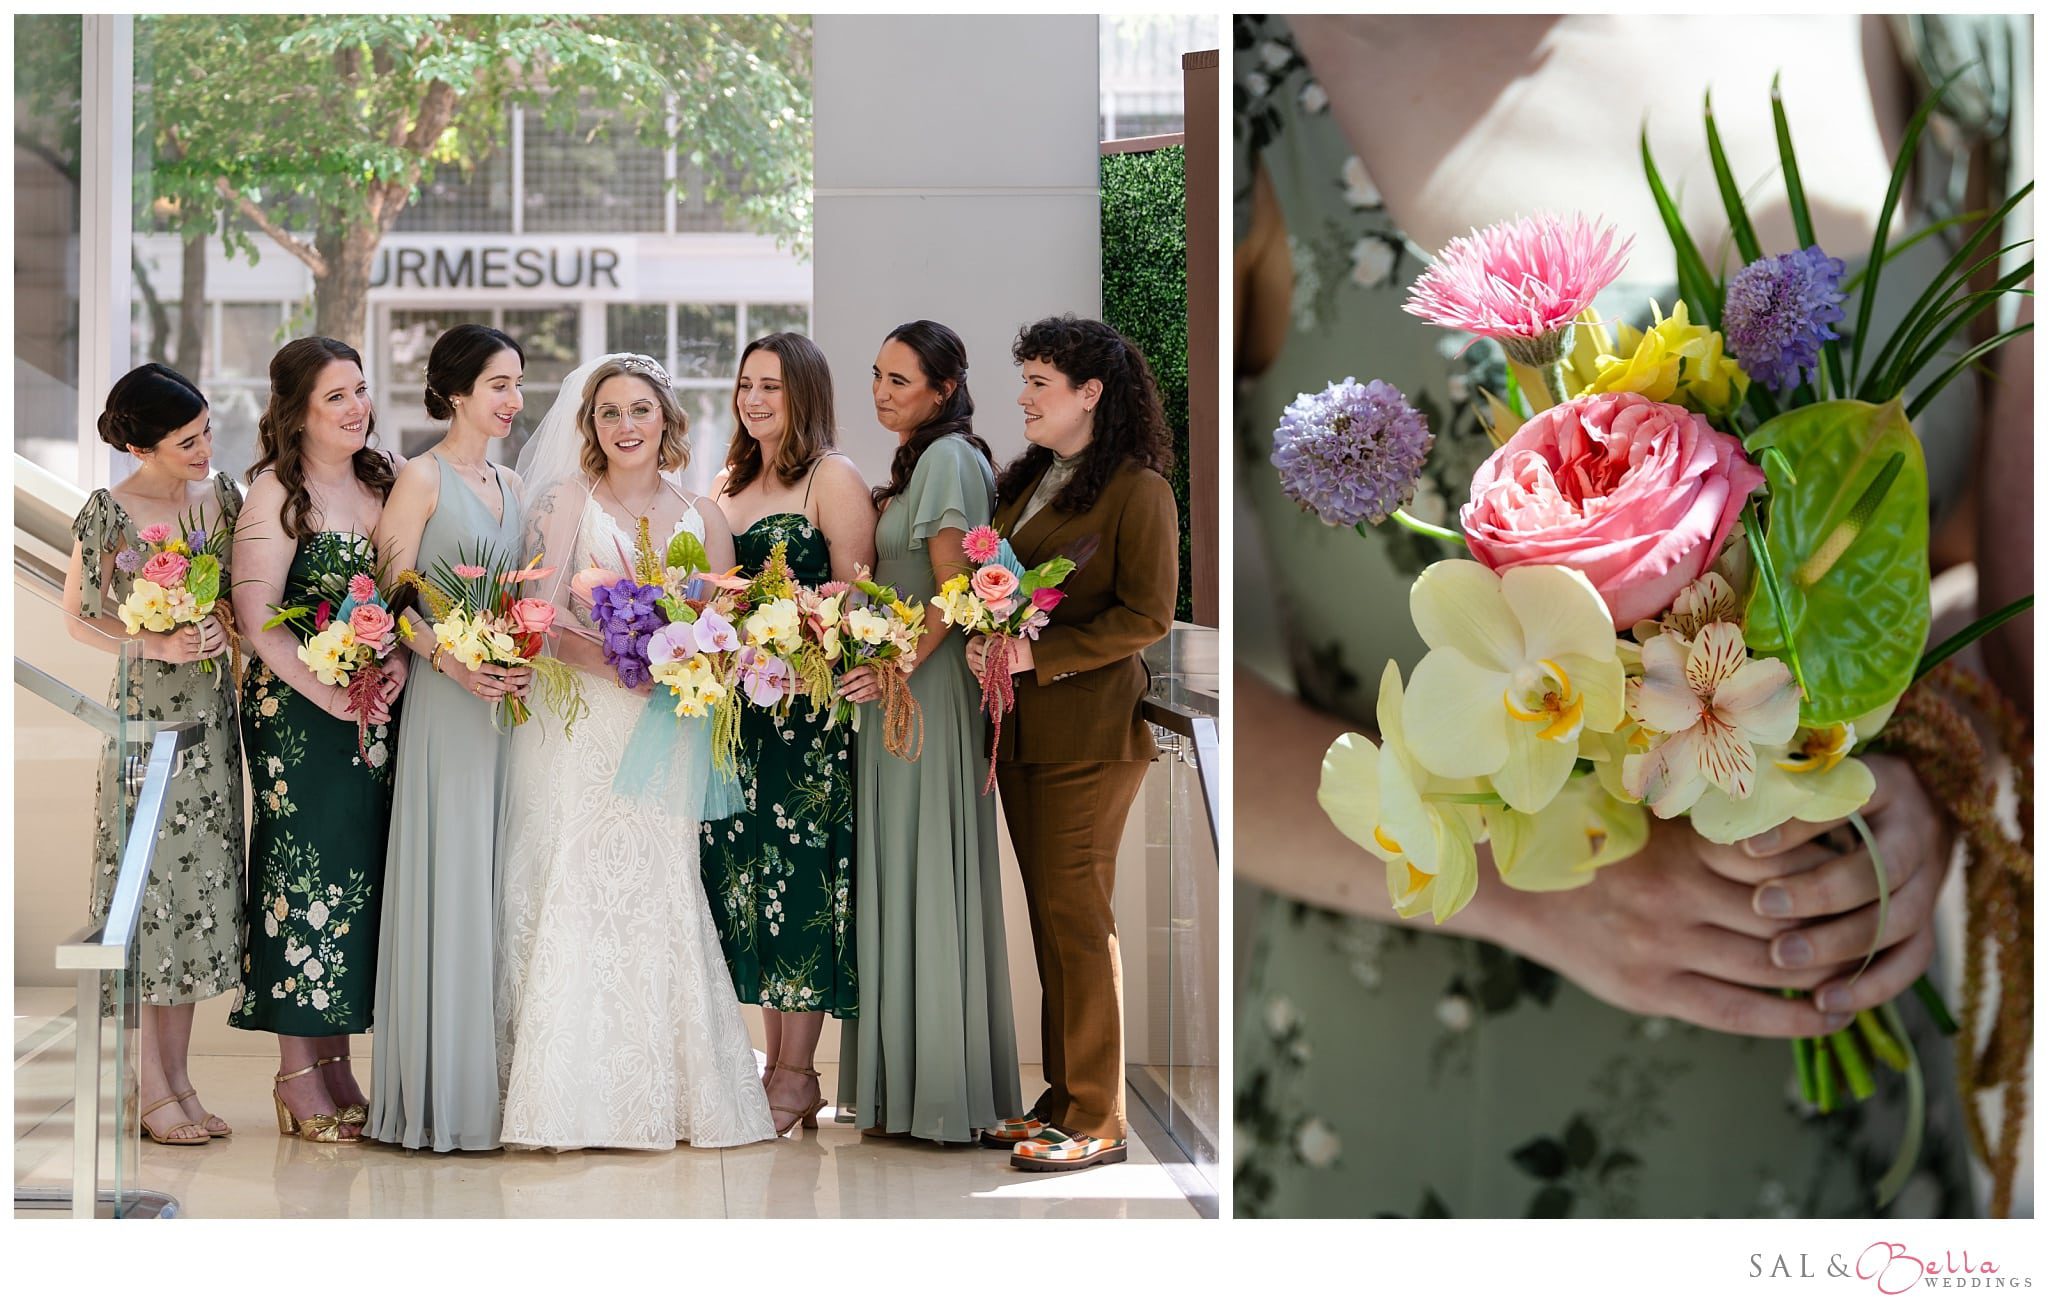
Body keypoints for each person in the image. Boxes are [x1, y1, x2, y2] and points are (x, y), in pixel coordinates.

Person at [1231, 14, 2025, 1217]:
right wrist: (1531, 877)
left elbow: (1988, 590)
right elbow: (1126, 658)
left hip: (1847, 1148)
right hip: (1423, 1124)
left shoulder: (1949, 48)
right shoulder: (1244, 75)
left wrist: (1917, 778)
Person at [495, 353, 775, 1150]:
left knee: (660, 885)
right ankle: (563, 1097)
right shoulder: (563, 502)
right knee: (578, 879)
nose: (626, 425)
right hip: (585, 721)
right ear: (590, 425)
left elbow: (728, 625)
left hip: (668, 727)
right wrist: (627, 662)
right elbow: (537, 615)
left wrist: (688, 662)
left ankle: (666, 1092)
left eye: (640, 410)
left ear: (666, 421)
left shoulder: (704, 513)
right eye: (610, 411)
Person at [964, 316, 1179, 1172]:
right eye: (1025, 380)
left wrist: (1034, 654)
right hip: (1022, 732)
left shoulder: (1140, 490)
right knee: (1055, 926)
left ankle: (1098, 1116)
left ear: (1091, 393)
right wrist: (990, 636)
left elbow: (1147, 616)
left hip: (1091, 736)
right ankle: (1060, 1100)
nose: (1023, 396)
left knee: (1080, 924)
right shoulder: (1032, 483)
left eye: (1039, 383)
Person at [836, 320, 1023, 1142]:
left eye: (899, 380)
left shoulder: (948, 458)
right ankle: (907, 1088)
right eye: (877, 375)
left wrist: (892, 670)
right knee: (904, 866)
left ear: (944, 389)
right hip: (902, 685)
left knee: (922, 866)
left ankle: (934, 1090)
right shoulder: (927, 457)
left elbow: (958, 591)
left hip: (922, 690)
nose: (880, 390)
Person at [64, 364, 246, 1147]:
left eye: (207, 431)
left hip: (213, 718)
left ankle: (180, 1081)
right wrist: (156, 640)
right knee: (150, 899)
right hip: (145, 724)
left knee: (200, 900)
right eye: (187, 440)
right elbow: (78, 616)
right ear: (141, 444)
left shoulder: (224, 500)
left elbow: (244, 598)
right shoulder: (109, 510)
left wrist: (224, 630)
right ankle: (146, 1087)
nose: (205, 449)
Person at [229, 337, 403, 1143]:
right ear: (297, 409)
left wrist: (394, 659)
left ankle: (337, 1062)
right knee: (304, 875)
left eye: (361, 390)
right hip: (300, 717)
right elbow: (261, 620)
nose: (356, 407)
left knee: (356, 881)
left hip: (373, 710)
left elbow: (410, 595)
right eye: (337, 396)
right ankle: (298, 1069)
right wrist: (330, 692)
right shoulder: (274, 491)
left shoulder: (382, 479)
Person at [704, 332, 877, 1134]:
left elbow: (855, 592)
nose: (754, 399)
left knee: (800, 882)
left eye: (771, 385)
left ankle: (801, 1069)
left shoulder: (831, 478)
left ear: (803, 392)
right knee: (755, 880)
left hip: (806, 715)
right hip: (739, 718)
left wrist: (794, 629)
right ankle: (777, 1066)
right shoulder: (728, 483)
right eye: (746, 385)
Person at [367, 323, 533, 1152]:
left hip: (505, 704)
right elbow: (392, 593)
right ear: (456, 391)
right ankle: (437, 1095)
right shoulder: (420, 478)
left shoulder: (511, 482)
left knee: (497, 881)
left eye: (517, 384)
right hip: (446, 701)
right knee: (452, 874)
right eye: (499, 384)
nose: (513, 400)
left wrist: (520, 655)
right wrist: (453, 663)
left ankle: (496, 1084)